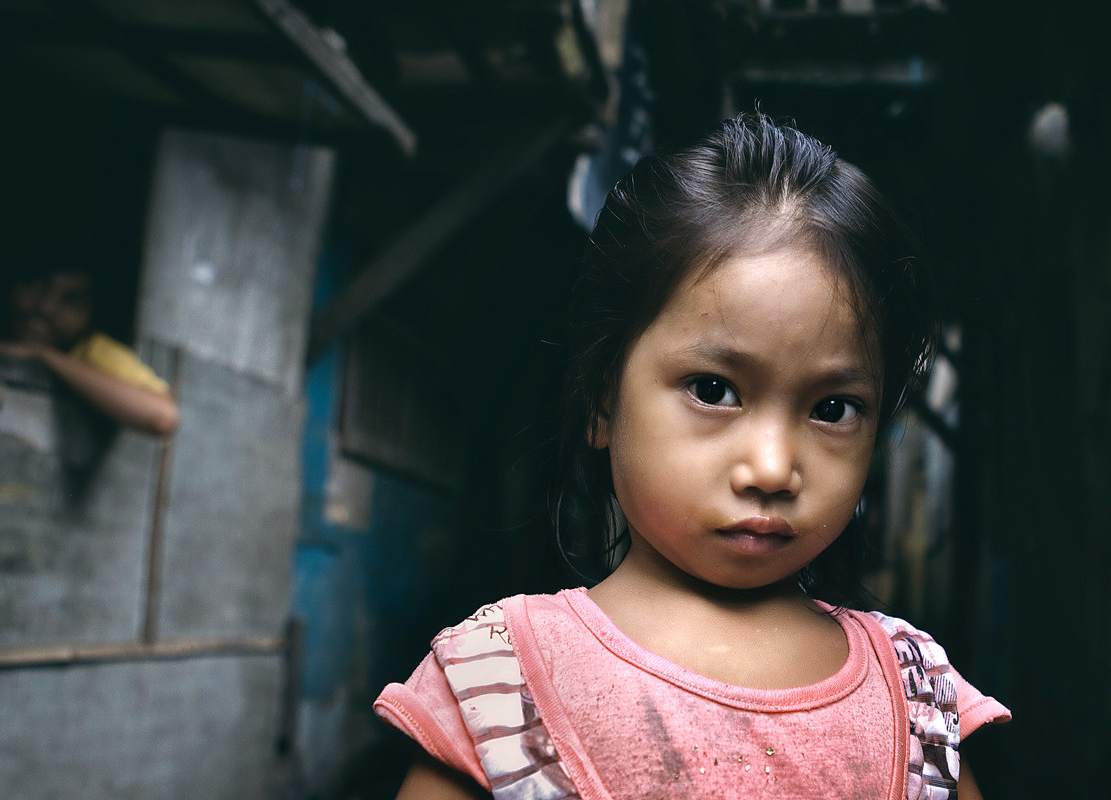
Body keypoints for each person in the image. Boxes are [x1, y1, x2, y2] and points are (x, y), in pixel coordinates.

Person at [373, 112, 1010, 800]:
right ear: (602, 402)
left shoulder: (917, 701)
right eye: (713, 390)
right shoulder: (502, 685)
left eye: (832, 408)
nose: (772, 469)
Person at [0, 261, 180, 436]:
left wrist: (43, 355)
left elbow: (161, 416)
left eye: (73, 301)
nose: (45, 308)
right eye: (36, 284)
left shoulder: (91, 350)